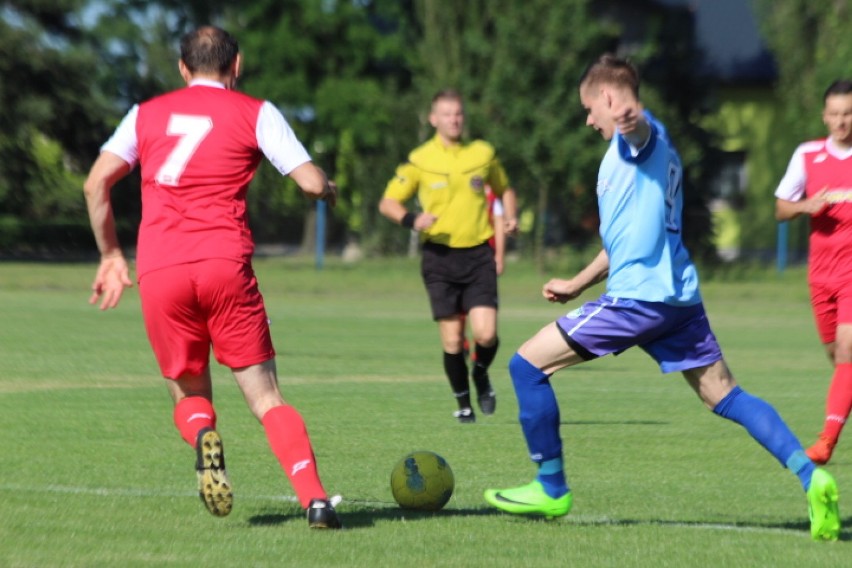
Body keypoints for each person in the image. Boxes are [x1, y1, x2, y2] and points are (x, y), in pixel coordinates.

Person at [483, 54, 841, 542]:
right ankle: (810, 474)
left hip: (637, 302)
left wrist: (635, 120)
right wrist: (578, 282)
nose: (588, 119)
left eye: (590, 107)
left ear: (610, 99)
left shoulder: (642, 141)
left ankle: (551, 488)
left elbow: (641, 133)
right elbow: (624, 239)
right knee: (727, 395)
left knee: (526, 368)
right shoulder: (629, 155)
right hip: (678, 301)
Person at [82, 26, 341, 529]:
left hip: (161, 269)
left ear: (182, 68)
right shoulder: (256, 111)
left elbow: (95, 183)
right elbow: (309, 182)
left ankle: (203, 435)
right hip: (224, 264)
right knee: (266, 397)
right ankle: (314, 499)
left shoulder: (145, 115)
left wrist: (111, 253)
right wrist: (327, 188)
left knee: (191, 392)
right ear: (236, 65)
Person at [379, 89, 518, 423]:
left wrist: (511, 216)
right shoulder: (420, 159)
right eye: (446, 114)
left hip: (478, 255)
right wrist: (412, 220)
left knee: (485, 334)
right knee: (453, 338)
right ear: (433, 119)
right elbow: (388, 202)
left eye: (458, 113)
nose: (454, 119)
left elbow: (505, 189)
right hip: (439, 258)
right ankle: (463, 403)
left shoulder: (482, 153)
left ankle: (481, 373)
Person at [775, 79, 852, 466]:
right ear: (825, 115)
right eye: (835, 114)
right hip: (820, 274)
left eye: (848, 114)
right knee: (837, 358)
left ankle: (825, 442)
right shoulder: (807, 155)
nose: (841, 122)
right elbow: (780, 209)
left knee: (848, 352)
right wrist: (806, 206)